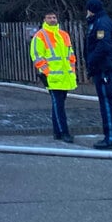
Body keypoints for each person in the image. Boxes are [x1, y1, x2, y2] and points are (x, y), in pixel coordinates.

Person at [29, 11, 77, 143]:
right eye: (49, 17)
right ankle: (63, 132)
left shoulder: (63, 35)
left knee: (59, 105)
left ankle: (58, 132)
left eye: (54, 17)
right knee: (58, 105)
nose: (52, 19)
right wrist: (46, 72)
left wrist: (72, 69)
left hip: (64, 76)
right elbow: (36, 55)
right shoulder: (40, 36)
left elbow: (70, 54)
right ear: (44, 19)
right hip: (52, 77)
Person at [85, 0, 112, 149]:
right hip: (102, 68)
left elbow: (104, 45)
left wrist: (91, 61)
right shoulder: (100, 22)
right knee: (107, 103)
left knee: (107, 103)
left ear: (91, 9)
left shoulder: (101, 23)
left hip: (104, 69)